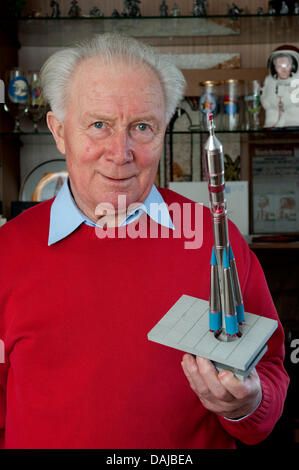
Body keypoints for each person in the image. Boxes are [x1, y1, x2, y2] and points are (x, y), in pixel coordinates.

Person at [0, 33, 289, 449]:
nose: (120, 152)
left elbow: (271, 372)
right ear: (59, 132)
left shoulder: (212, 237)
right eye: (99, 125)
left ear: (164, 131)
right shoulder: (7, 251)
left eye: (141, 127)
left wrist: (246, 405)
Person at [261, 45, 299, 128]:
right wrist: (274, 103)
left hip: (294, 121)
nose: (283, 70)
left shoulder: (297, 80)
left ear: (294, 66)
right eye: (279, 66)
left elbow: (296, 100)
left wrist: (285, 103)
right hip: (272, 121)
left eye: (287, 66)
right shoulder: (269, 80)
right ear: (274, 67)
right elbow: (264, 98)